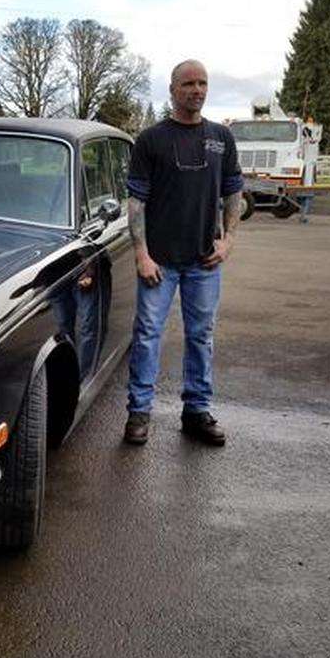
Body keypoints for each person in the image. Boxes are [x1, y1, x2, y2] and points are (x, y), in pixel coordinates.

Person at [122, 60, 244, 446]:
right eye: (188, 83)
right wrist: (141, 254)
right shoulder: (151, 140)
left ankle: (196, 412)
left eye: (203, 83)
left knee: (201, 336)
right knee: (146, 336)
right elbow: (136, 203)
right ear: (173, 89)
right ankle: (139, 412)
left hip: (204, 262)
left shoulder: (221, 138)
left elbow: (233, 193)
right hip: (159, 263)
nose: (197, 89)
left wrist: (228, 242)